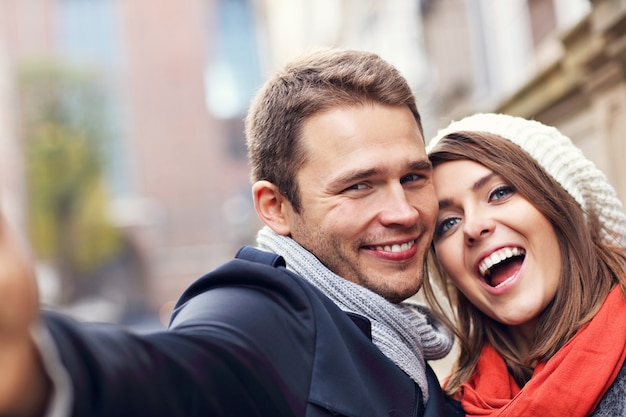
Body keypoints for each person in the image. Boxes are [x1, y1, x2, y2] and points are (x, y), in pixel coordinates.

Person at [0, 48, 458, 417]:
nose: (403, 211)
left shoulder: (399, 334)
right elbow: (177, 379)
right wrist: (34, 370)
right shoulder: (263, 313)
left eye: (414, 178)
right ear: (275, 208)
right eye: (359, 186)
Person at [423, 112, 626, 416]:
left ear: (561, 202)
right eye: (448, 222)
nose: (473, 227)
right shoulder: (446, 407)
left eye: (499, 193)